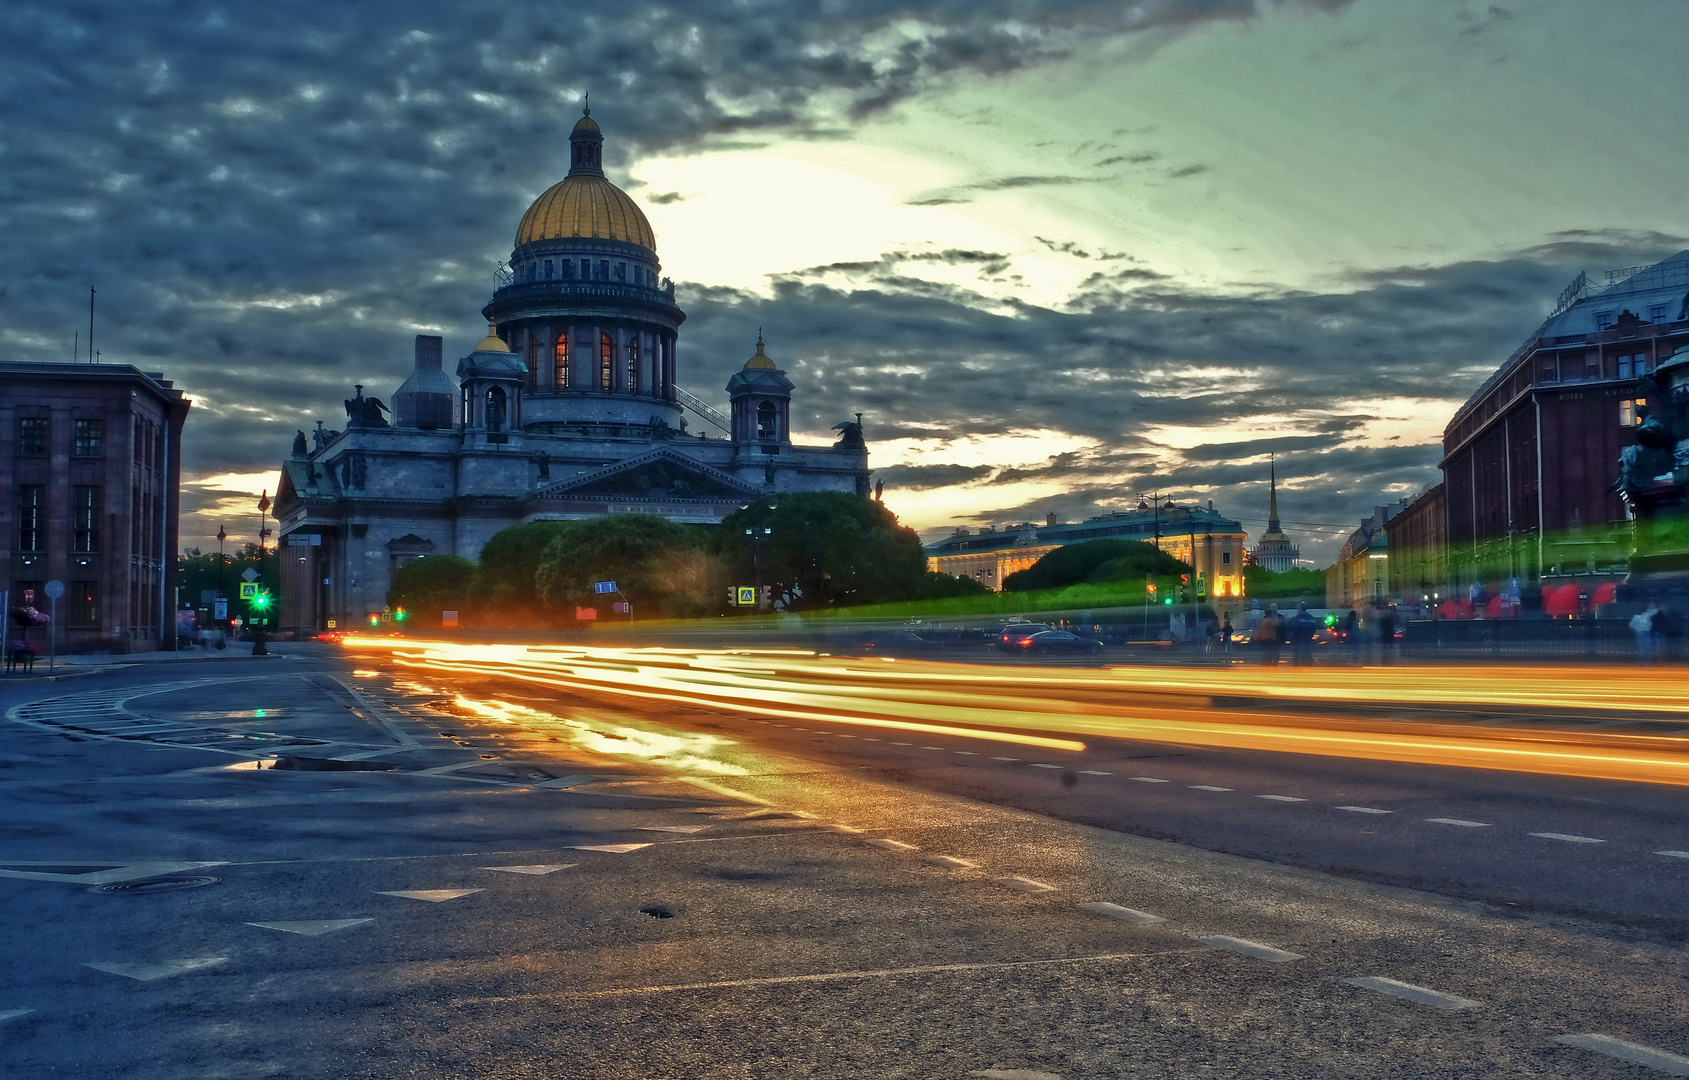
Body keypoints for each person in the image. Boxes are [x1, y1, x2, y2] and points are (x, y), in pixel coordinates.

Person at [1288, 600, 1318, 666]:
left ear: (1300, 608)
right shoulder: (1311, 617)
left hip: (1299, 640)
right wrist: (1310, 636)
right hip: (1308, 639)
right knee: (1308, 654)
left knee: (1298, 655)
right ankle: (1308, 667)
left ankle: (1299, 669)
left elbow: (1294, 629)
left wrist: (1292, 637)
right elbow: (1313, 628)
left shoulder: (1298, 617)